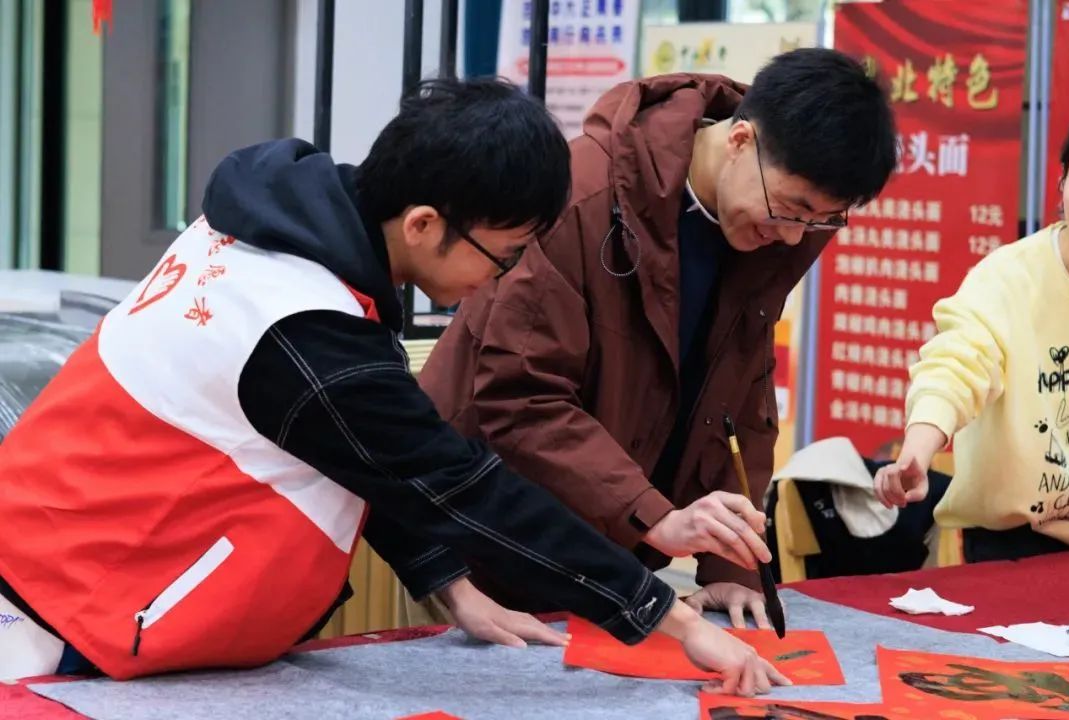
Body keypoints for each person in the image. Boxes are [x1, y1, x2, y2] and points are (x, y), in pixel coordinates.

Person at [0, 78, 786, 695]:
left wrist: (450, 586)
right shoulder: (303, 326)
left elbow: (359, 453)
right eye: (504, 255)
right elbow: (460, 487)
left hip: (70, 555)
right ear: (423, 224)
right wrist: (672, 620)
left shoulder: (283, 233)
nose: (499, 280)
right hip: (65, 604)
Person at [419, 49, 897, 626]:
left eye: (822, 220)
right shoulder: (582, 195)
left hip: (616, 549)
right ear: (740, 140)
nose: (795, 237)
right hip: (494, 527)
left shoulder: (774, 229)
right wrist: (653, 515)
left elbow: (740, 398)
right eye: (792, 210)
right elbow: (522, 399)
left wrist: (732, 565)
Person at [874, 115, 1069, 563]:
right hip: (1017, 543)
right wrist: (918, 451)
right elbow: (955, 365)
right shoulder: (1007, 279)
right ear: (1062, 185)